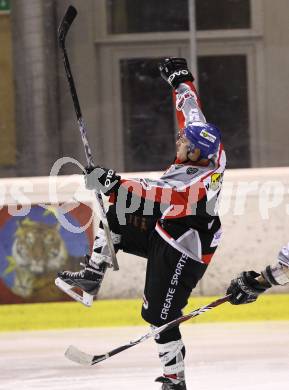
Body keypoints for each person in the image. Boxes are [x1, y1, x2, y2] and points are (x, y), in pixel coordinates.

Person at [56, 57, 226, 390]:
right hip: (168, 225)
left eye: (184, 143)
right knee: (116, 213)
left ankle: (174, 381)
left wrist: (113, 182)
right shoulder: (206, 145)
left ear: (195, 155)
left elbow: (157, 192)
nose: (179, 142)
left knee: (159, 318)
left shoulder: (199, 185)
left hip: (185, 248)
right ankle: (91, 277)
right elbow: (190, 110)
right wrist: (181, 80)